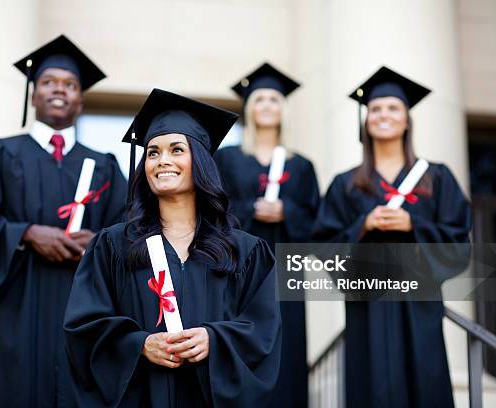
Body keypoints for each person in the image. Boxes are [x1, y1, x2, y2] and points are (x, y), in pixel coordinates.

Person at [63, 88, 282, 407]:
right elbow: (83, 329)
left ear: (201, 161)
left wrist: (214, 340)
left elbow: (264, 331)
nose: (162, 161)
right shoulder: (113, 245)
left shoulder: (245, 251)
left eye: (176, 150)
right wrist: (139, 345)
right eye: (153, 152)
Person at [0, 34, 128, 407]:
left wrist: (98, 242)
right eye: (48, 82)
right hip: (14, 303)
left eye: (70, 84)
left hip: (80, 308)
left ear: (80, 99)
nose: (59, 90)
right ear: (33, 95)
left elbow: (129, 230)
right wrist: (27, 233)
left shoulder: (105, 166)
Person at [313, 66, 472, 408]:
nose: (383, 115)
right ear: (366, 120)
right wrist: (363, 226)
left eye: (393, 108)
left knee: (425, 386)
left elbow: (459, 240)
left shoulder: (437, 178)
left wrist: (412, 225)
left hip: (419, 305)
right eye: (375, 109)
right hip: (366, 308)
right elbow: (323, 247)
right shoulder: (345, 184)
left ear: (406, 120)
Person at [214, 62, 320, 407]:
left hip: (286, 269)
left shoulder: (301, 165)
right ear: (248, 109)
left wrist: (286, 212)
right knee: (241, 337)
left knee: (286, 344)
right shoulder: (227, 159)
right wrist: (249, 210)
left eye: (274, 100)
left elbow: (317, 220)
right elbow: (214, 210)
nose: (267, 106)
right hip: (239, 268)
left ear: (283, 109)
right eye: (260, 100)